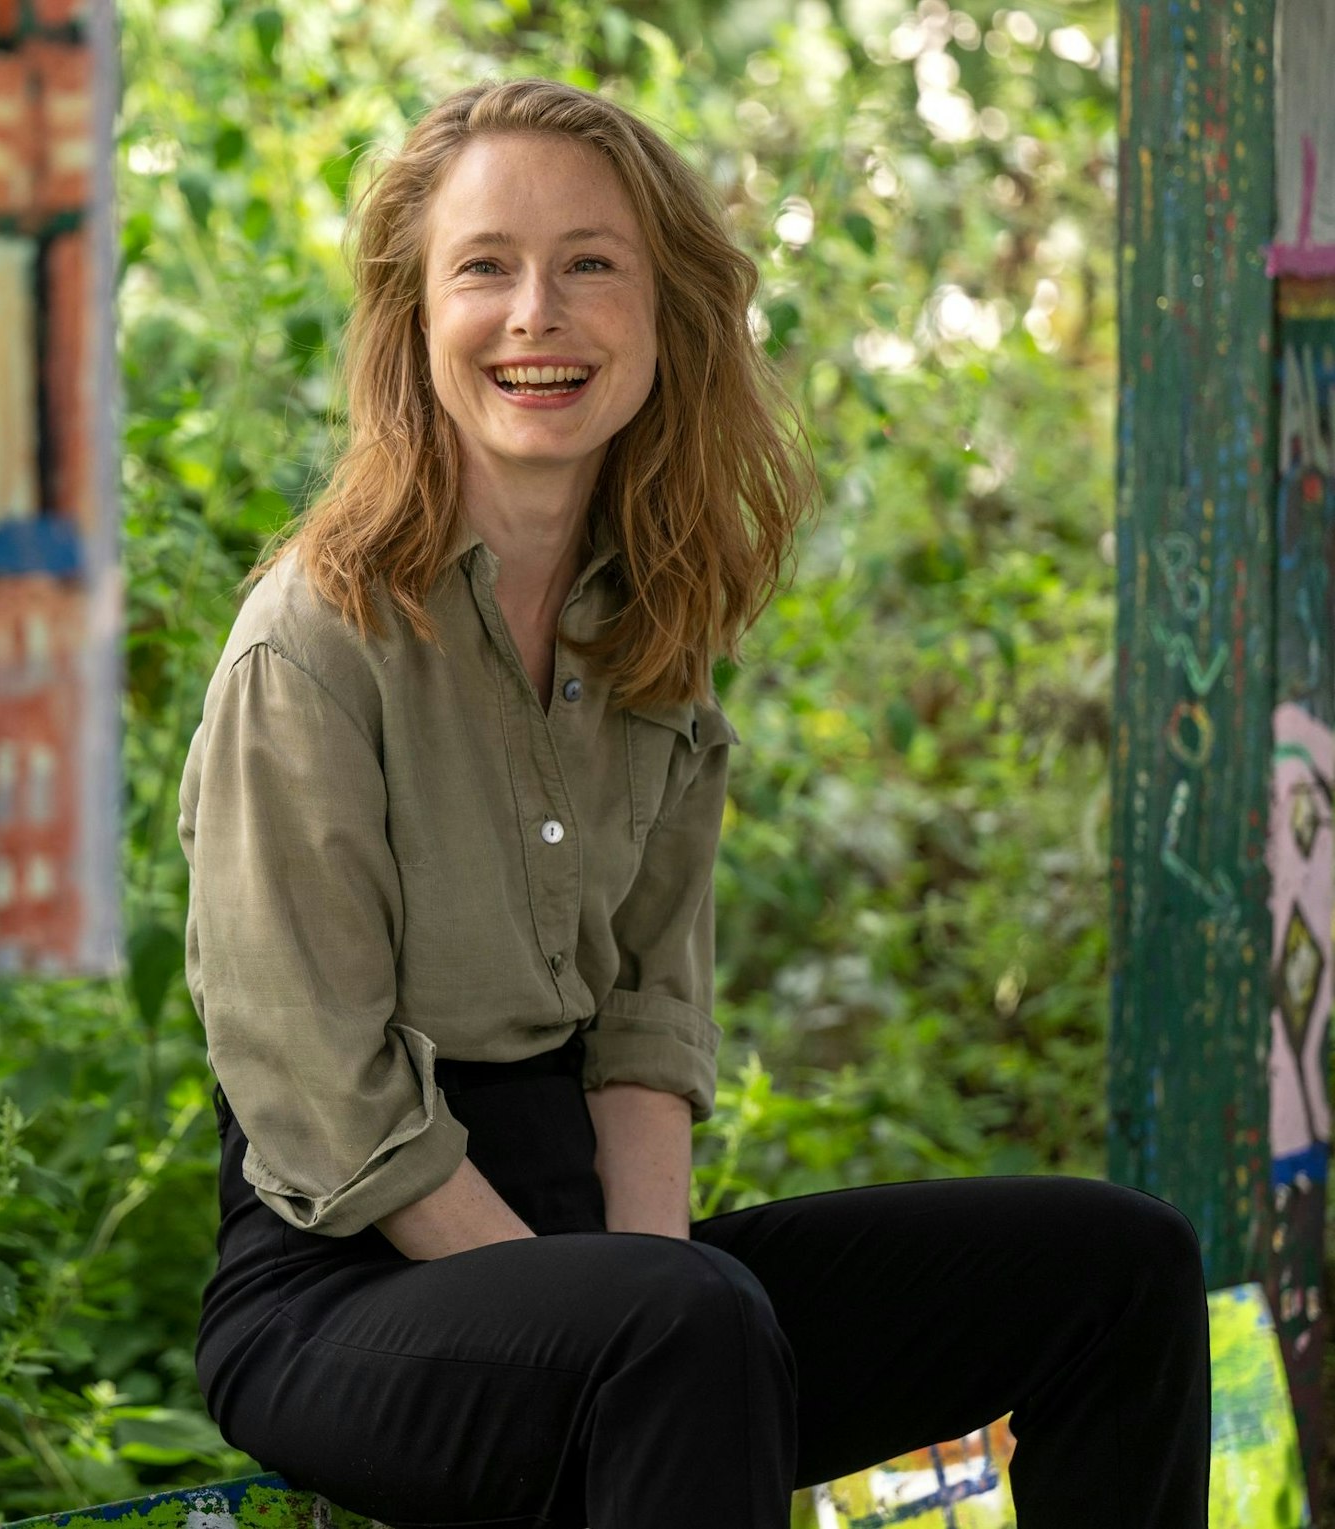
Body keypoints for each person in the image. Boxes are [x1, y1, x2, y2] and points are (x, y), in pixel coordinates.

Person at [177, 75, 1209, 1529]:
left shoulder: (646, 631)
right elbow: (319, 1096)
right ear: (415, 318)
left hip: (617, 1279)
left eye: (591, 264)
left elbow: (645, 1032)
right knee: (681, 1328)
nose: (536, 314)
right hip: (341, 1291)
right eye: (485, 268)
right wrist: (611, 1313)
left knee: (1115, 1268)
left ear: (667, 315)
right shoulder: (314, 643)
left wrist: (638, 1278)